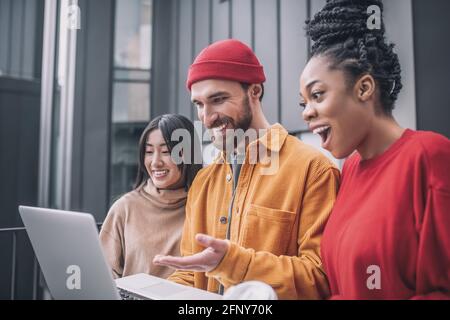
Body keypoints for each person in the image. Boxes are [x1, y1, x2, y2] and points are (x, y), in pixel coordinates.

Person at [153, 39, 340, 299]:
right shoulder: (204, 181)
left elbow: (319, 279)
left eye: (217, 99)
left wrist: (233, 263)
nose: (206, 117)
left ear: (254, 91)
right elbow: (191, 274)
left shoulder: (313, 170)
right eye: (198, 104)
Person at [300, 0, 450, 299]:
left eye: (317, 95)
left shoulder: (430, 156)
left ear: (364, 88)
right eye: (303, 103)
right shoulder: (351, 168)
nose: (307, 113)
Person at [100, 114, 203, 279]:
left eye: (166, 151)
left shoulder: (207, 207)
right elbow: (102, 277)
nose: (155, 162)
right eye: (149, 151)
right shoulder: (125, 208)